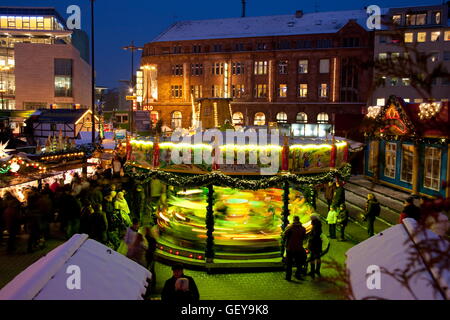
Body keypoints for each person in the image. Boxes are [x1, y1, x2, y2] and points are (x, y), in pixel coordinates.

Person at [283, 216, 307, 281]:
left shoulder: (290, 228)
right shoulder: (303, 229)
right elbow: (304, 237)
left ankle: (288, 277)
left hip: (290, 248)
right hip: (299, 248)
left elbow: (284, 235)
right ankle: (298, 274)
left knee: (289, 263)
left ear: (293, 220)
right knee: (299, 263)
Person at [308, 214, 323, 279]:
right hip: (318, 244)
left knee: (312, 258)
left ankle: (312, 272)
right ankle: (317, 270)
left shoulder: (315, 227)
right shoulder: (318, 225)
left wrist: (310, 239)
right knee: (318, 257)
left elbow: (315, 236)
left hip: (314, 244)